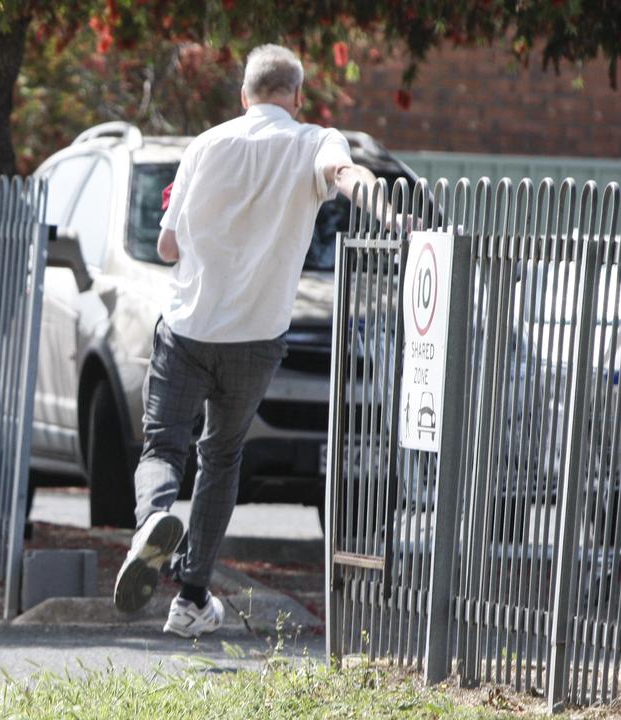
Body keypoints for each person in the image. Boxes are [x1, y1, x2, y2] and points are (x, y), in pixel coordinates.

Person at [112, 45, 388, 637]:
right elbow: (346, 176)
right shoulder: (315, 141)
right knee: (222, 457)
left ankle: (152, 521)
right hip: (256, 341)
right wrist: (389, 212)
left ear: (244, 94)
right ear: (296, 95)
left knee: (163, 447)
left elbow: (165, 247)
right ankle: (190, 599)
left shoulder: (207, 145)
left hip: (187, 330)